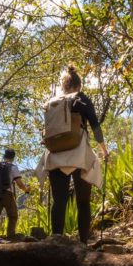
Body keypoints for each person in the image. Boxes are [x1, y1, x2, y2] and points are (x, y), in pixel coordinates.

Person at [42, 65, 108, 243]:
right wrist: (104, 150)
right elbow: (95, 125)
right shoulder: (81, 98)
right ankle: (83, 243)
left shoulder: (51, 102)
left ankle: (56, 240)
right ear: (78, 86)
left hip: (54, 155)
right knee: (83, 201)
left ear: (64, 86)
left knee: (59, 201)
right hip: (78, 153)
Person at [0, 148, 29, 240]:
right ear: (13, 157)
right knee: (13, 215)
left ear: (4, 156)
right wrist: (26, 189)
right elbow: (19, 183)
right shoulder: (13, 167)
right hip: (6, 193)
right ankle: (10, 236)